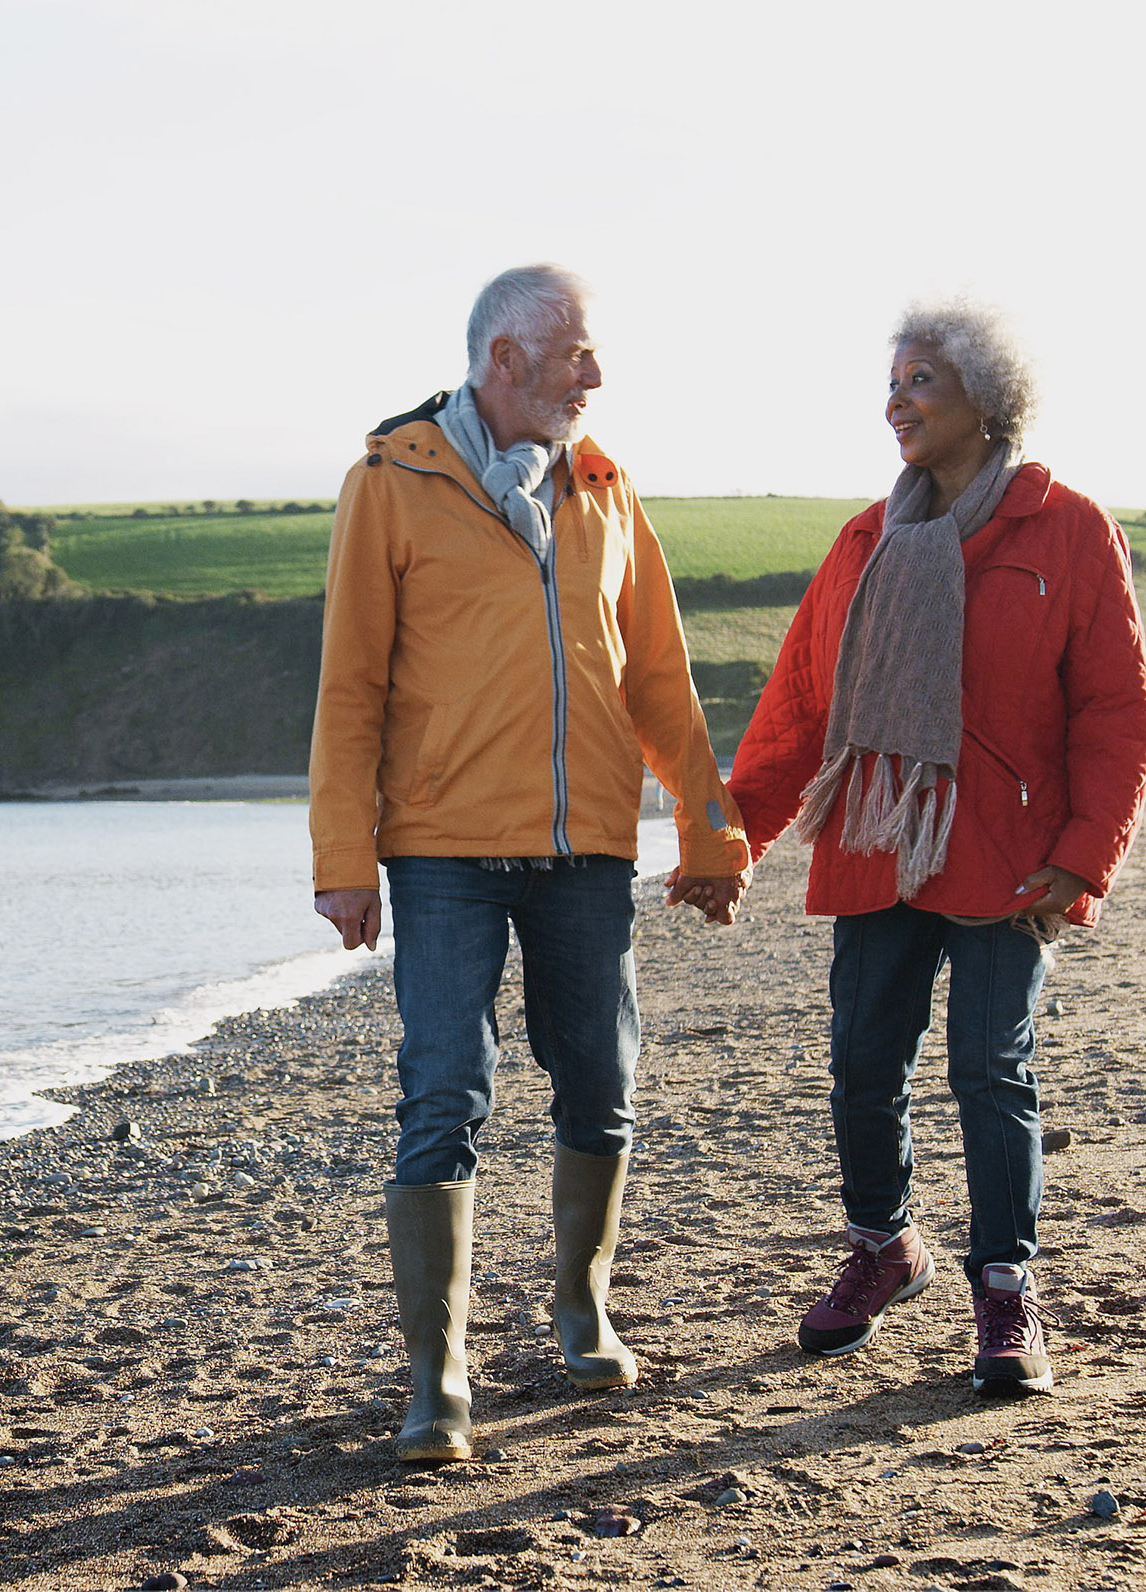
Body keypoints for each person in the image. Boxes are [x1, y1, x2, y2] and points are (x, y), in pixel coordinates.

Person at [310, 264, 751, 1460]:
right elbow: (349, 684)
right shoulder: (388, 482)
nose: (595, 379)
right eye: (575, 357)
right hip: (443, 849)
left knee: (601, 1077)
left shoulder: (606, 489)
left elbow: (658, 675)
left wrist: (708, 828)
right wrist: (343, 855)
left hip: (587, 851)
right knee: (444, 1088)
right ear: (503, 360)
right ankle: (436, 1379)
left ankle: (580, 1303)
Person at [728, 300, 1146, 1397]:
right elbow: (800, 704)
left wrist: (1086, 851)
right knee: (864, 1063)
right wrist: (734, 835)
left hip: (1013, 853)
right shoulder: (866, 542)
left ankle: (1006, 1289)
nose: (897, 400)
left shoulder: (1067, 528)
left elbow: (1114, 707)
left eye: (921, 379)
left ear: (986, 396)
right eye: (893, 380)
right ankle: (884, 1245)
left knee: (989, 1067)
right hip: (880, 841)